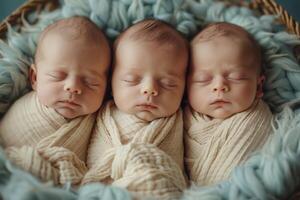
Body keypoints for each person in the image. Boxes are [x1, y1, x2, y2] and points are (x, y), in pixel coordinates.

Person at [82, 19, 189, 199]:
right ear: (109, 81)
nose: (150, 89)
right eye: (132, 79)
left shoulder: (185, 119)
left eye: (168, 83)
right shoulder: (96, 110)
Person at [0, 16, 111, 185]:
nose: (73, 87)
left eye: (91, 82)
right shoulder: (20, 112)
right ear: (35, 78)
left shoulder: (102, 124)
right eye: (58, 76)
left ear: (106, 88)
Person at [184, 22, 273, 186]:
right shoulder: (181, 118)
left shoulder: (257, 120)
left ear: (259, 86)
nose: (219, 86)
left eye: (236, 77)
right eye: (203, 79)